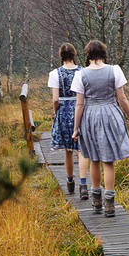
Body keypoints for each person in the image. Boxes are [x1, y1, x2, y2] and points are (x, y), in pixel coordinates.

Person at [71, 40, 129, 217]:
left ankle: (96, 200)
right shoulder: (114, 70)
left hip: (90, 117)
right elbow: (122, 99)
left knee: (94, 159)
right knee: (108, 161)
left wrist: (76, 129)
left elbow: (79, 104)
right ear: (103, 53)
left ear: (87, 54)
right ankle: (110, 204)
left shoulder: (81, 74)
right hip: (110, 114)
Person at [48, 43, 90, 199]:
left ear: (61, 56)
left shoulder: (55, 73)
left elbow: (55, 99)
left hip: (64, 110)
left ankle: (70, 181)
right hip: (81, 109)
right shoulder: (83, 71)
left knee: (68, 149)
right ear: (74, 54)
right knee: (81, 149)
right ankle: (84, 185)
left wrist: (56, 113)